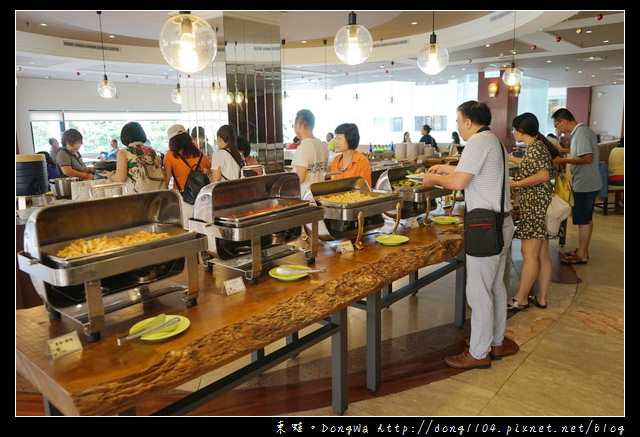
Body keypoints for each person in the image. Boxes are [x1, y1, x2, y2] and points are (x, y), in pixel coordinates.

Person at [422, 101, 517, 369]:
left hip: (485, 227)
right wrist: (445, 168)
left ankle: (478, 353)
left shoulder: (476, 142)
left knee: (478, 292)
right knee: (496, 287)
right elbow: (471, 172)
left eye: (457, 121)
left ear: (467, 122)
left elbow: (459, 183)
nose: (457, 126)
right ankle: (494, 341)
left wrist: (433, 180)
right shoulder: (493, 141)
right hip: (502, 222)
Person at [506, 113, 560, 311]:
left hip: (535, 207)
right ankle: (542, 298)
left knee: (529, 253)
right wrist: (511, 158)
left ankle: (521, 299)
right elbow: (534, 166)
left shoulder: (536, 148)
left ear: (521, 131)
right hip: (540, 205)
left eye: (514, 129)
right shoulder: (537, 146)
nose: (513, 133)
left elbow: (543, 175)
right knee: (542, 254)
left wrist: (516, 183)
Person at [551, 108, 602, 264]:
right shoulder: (581, 132)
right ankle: (582, 250)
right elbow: (581, 152)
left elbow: (587, 158)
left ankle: (582, 255)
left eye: (556, 125)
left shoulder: (581, 133)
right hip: (588, 182)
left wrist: (562, 161)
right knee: (586, 218)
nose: (556, 129)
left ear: (564, 121)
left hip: (585, 183)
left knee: (582, 220)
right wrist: (564, 150)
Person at [107, 121, 164, 193]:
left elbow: (121, 178)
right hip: (156, 192)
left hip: (137, 195)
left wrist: (110, 176)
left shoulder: (123, 152)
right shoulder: (152, 151)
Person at [291, 109, 328, 197]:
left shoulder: (303, 147)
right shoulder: (323, 145)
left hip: (305, 198)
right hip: (320, 196)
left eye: (294, 125)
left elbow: (300, 178)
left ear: (299, 124)